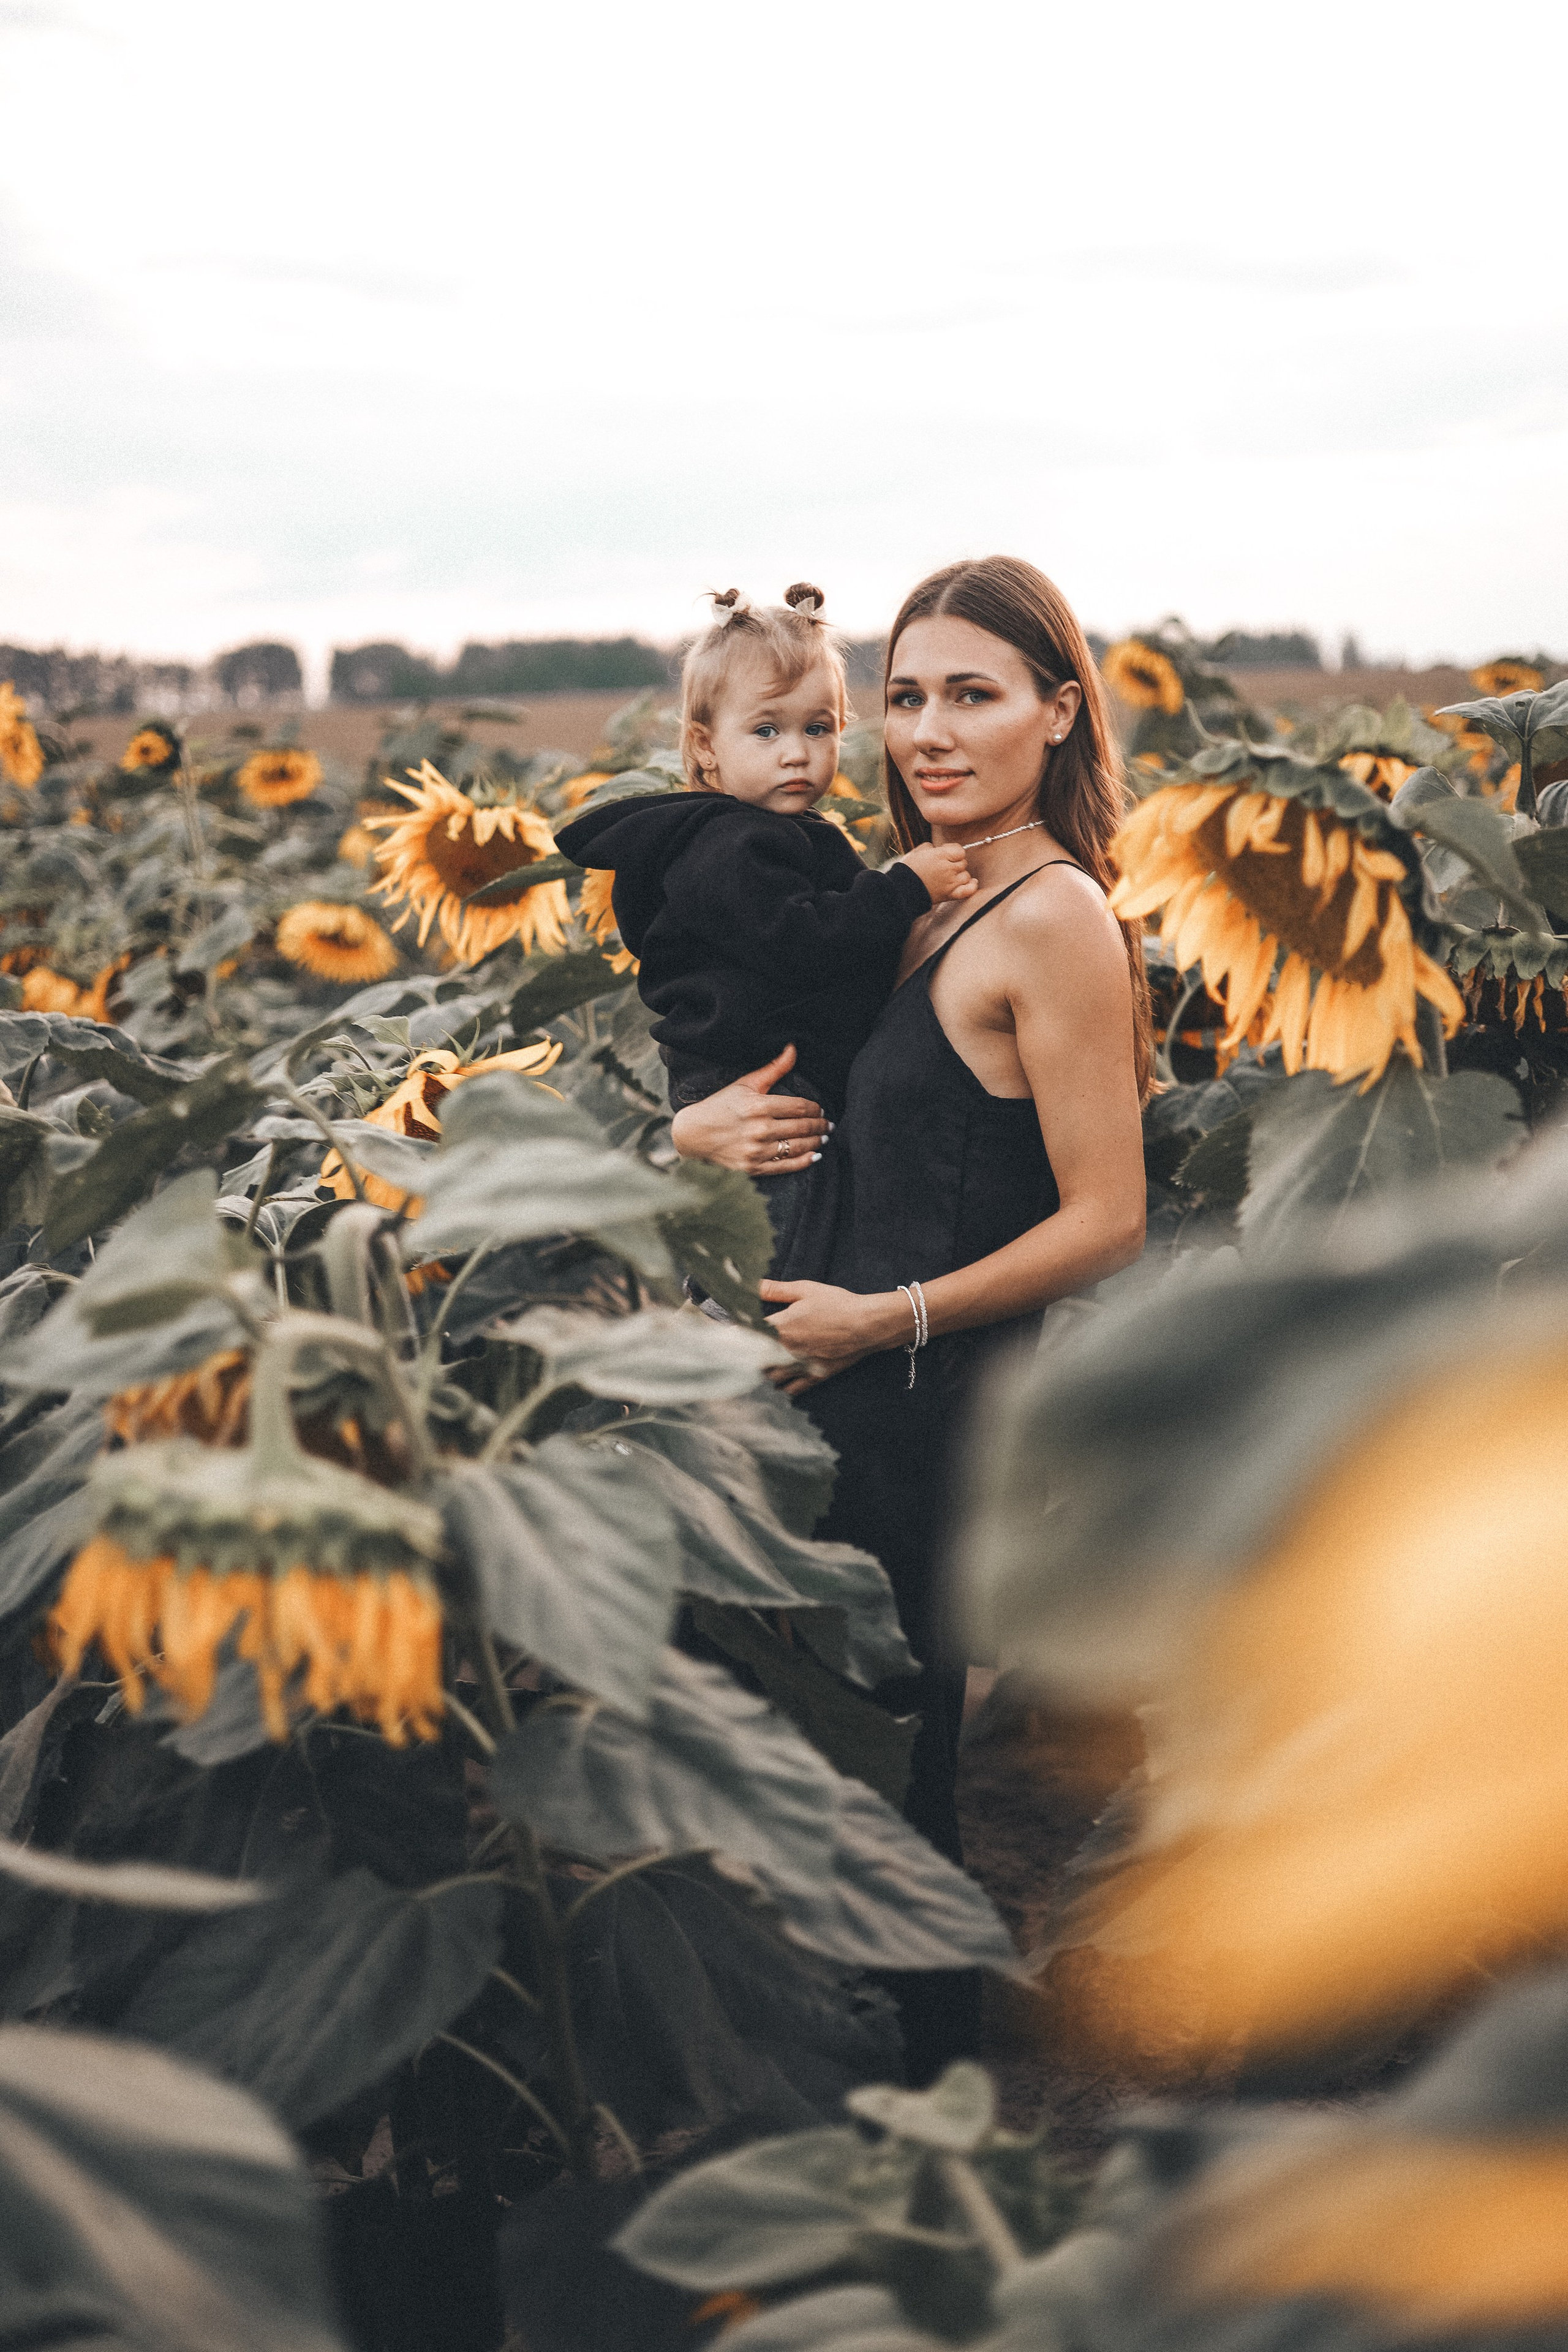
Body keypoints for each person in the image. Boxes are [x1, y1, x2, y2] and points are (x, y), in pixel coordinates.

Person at [669, 556, 1152, 2079]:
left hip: (926, 1415)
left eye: (973, 693)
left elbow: (1106, 1219)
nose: (927, 732)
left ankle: (923, 2147)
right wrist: (686, 1140)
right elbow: (776, 1089)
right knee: (817, 1802)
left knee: (891, 1811)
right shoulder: (901, 904)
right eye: (905, 698)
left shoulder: (1053, 919)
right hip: (821, 1407)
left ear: (1057, 713)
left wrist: (889, 1318)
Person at [556, 584, 976, 1262]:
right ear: (706, 747)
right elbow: (799, 944)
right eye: (766, 730)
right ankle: (746, 1312)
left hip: (763, 1067)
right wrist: (903, 889)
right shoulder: (730, 845)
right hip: (753, 1077)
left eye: (818, 729)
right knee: (788, 1222)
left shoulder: (775, 834)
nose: (796, 753)